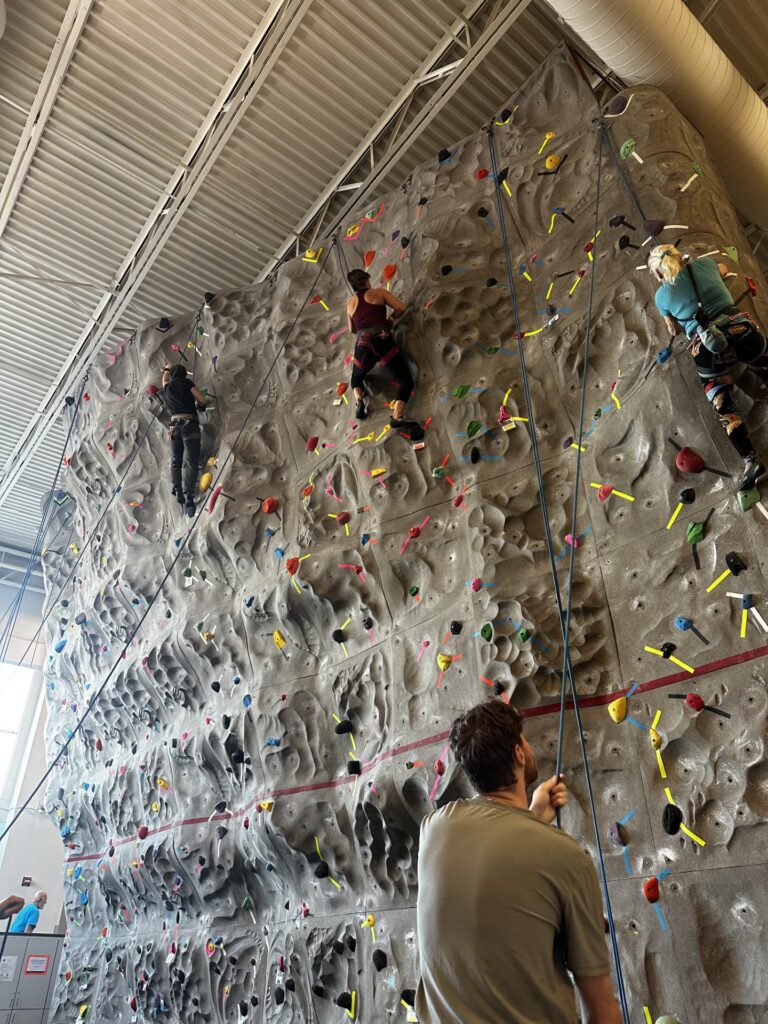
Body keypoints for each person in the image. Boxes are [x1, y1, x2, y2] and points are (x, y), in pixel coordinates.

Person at [416, 700, 621, 1024]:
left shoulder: (434, 829)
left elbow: (491, 857)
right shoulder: (566, 857)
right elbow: (600, 1011)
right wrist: (532, 824)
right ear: (519, 754)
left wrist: (531, 818)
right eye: (524, 740)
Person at [649, 245, 768, 492]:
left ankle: (751, 461)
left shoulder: (662, 296)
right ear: (681, 258)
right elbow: (723, 269)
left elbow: (672, 327)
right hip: (739, 326)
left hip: (706, 346)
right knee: (762, 358)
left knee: (721, 400)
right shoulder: (705, 265)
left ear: (659, 275)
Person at [346, 269, 415, 426]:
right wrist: (389, 320)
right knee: (406, 383)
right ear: (366, 280)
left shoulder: (350, 303)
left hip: (363, 346)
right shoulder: (378, 293)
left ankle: (359, 402)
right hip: (382, 341)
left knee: (356, 378)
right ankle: (397, 417)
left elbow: (351, 329)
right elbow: (401, 308)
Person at [161, 364, 207, 516]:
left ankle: (178, 489)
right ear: (184, 374)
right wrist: (200, 406)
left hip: (174, 426)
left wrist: (167, 369)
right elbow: (201, 399)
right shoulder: (187, 383)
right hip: (189, 425)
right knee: (191, 460)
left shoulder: (167, 387)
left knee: (176, 460)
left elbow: (164, 380)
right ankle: (189, 497)